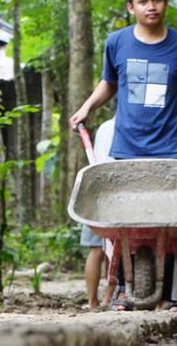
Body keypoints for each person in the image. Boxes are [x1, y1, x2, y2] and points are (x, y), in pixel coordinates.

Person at [70, 0, 177, 311]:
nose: (151, 6)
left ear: (165, 4)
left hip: (170, 147)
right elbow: (108, 83)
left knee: (172, 226)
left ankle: (170, 297)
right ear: (131, 7)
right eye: (143, 1)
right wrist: (85, 108)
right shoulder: (116, 42)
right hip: (127, 145)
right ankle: (121, 291)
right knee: (124, 224)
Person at [80, 117, 115, 310]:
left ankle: (92, 301)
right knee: (115, 247)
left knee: (97, 249)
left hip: (97, 188)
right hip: (117, 189)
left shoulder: (104, 126)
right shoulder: (131, 127)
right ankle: (108, 298)